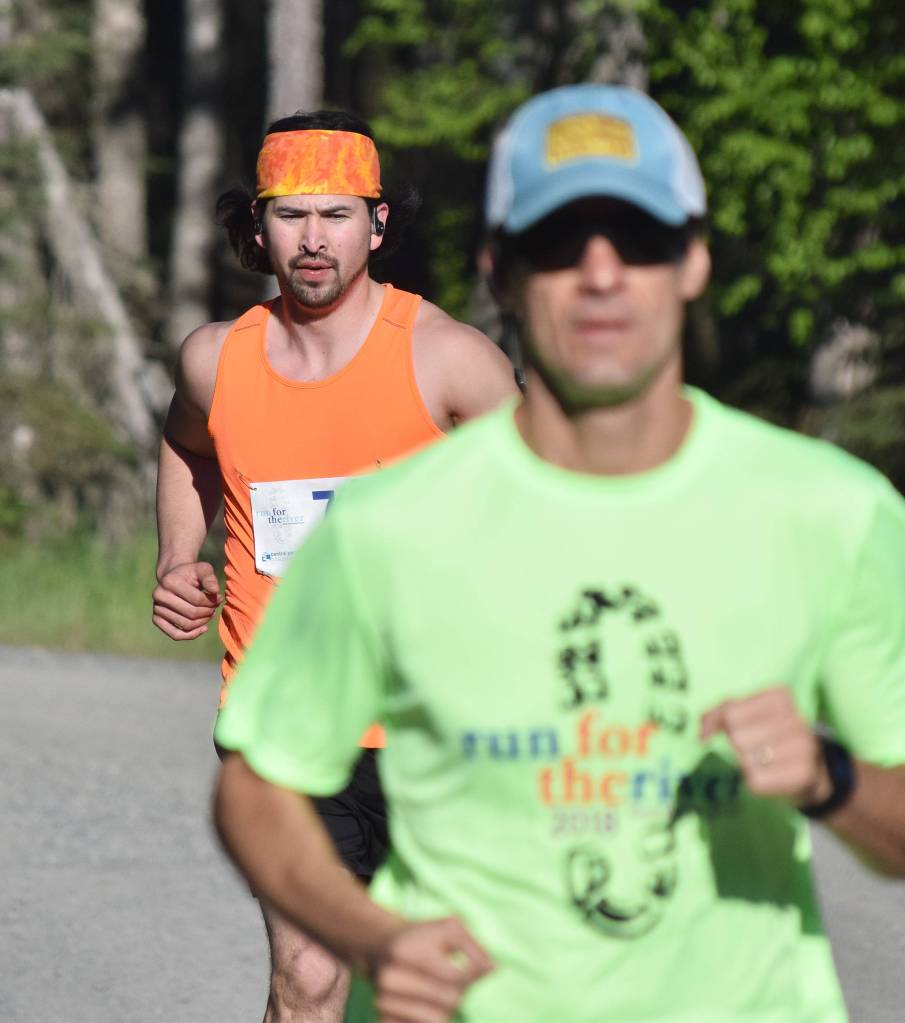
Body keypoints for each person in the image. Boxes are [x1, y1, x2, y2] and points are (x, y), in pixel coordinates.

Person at [211, 86, 905, 1023]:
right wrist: (371, 937)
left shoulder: (829, 512)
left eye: (641, 239)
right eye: (556, 244)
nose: (602, 275)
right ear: (500, 270)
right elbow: (259, 787)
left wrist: (832, 779)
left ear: (693, 261)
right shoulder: (388, 528)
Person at [152, 108, 517, 1023]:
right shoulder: (215, 362)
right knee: (310, 980)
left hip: (438, 731)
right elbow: (186, 448)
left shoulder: (450, 362)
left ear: (378, 224)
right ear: (258, 226)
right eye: (291, 215)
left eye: (338, 215)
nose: (313, 240)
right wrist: (176, 555)